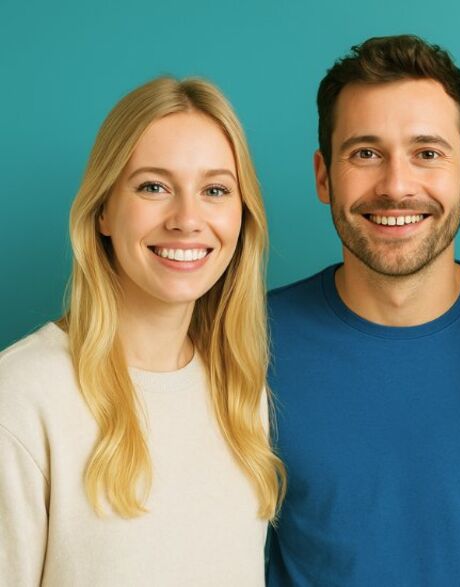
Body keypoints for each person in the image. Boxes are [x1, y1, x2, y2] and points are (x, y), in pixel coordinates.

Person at [266, 35, 460, 585]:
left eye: (427, 153)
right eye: (365, 154)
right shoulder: (244, 338)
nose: (395, 185)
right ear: (324, 175)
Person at [0, 77, 285, 586]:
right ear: (104, 210)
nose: (187, 219)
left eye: (215, 190)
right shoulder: (22, 395)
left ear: (242, 216)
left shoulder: (241, 393)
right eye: (154, 186)